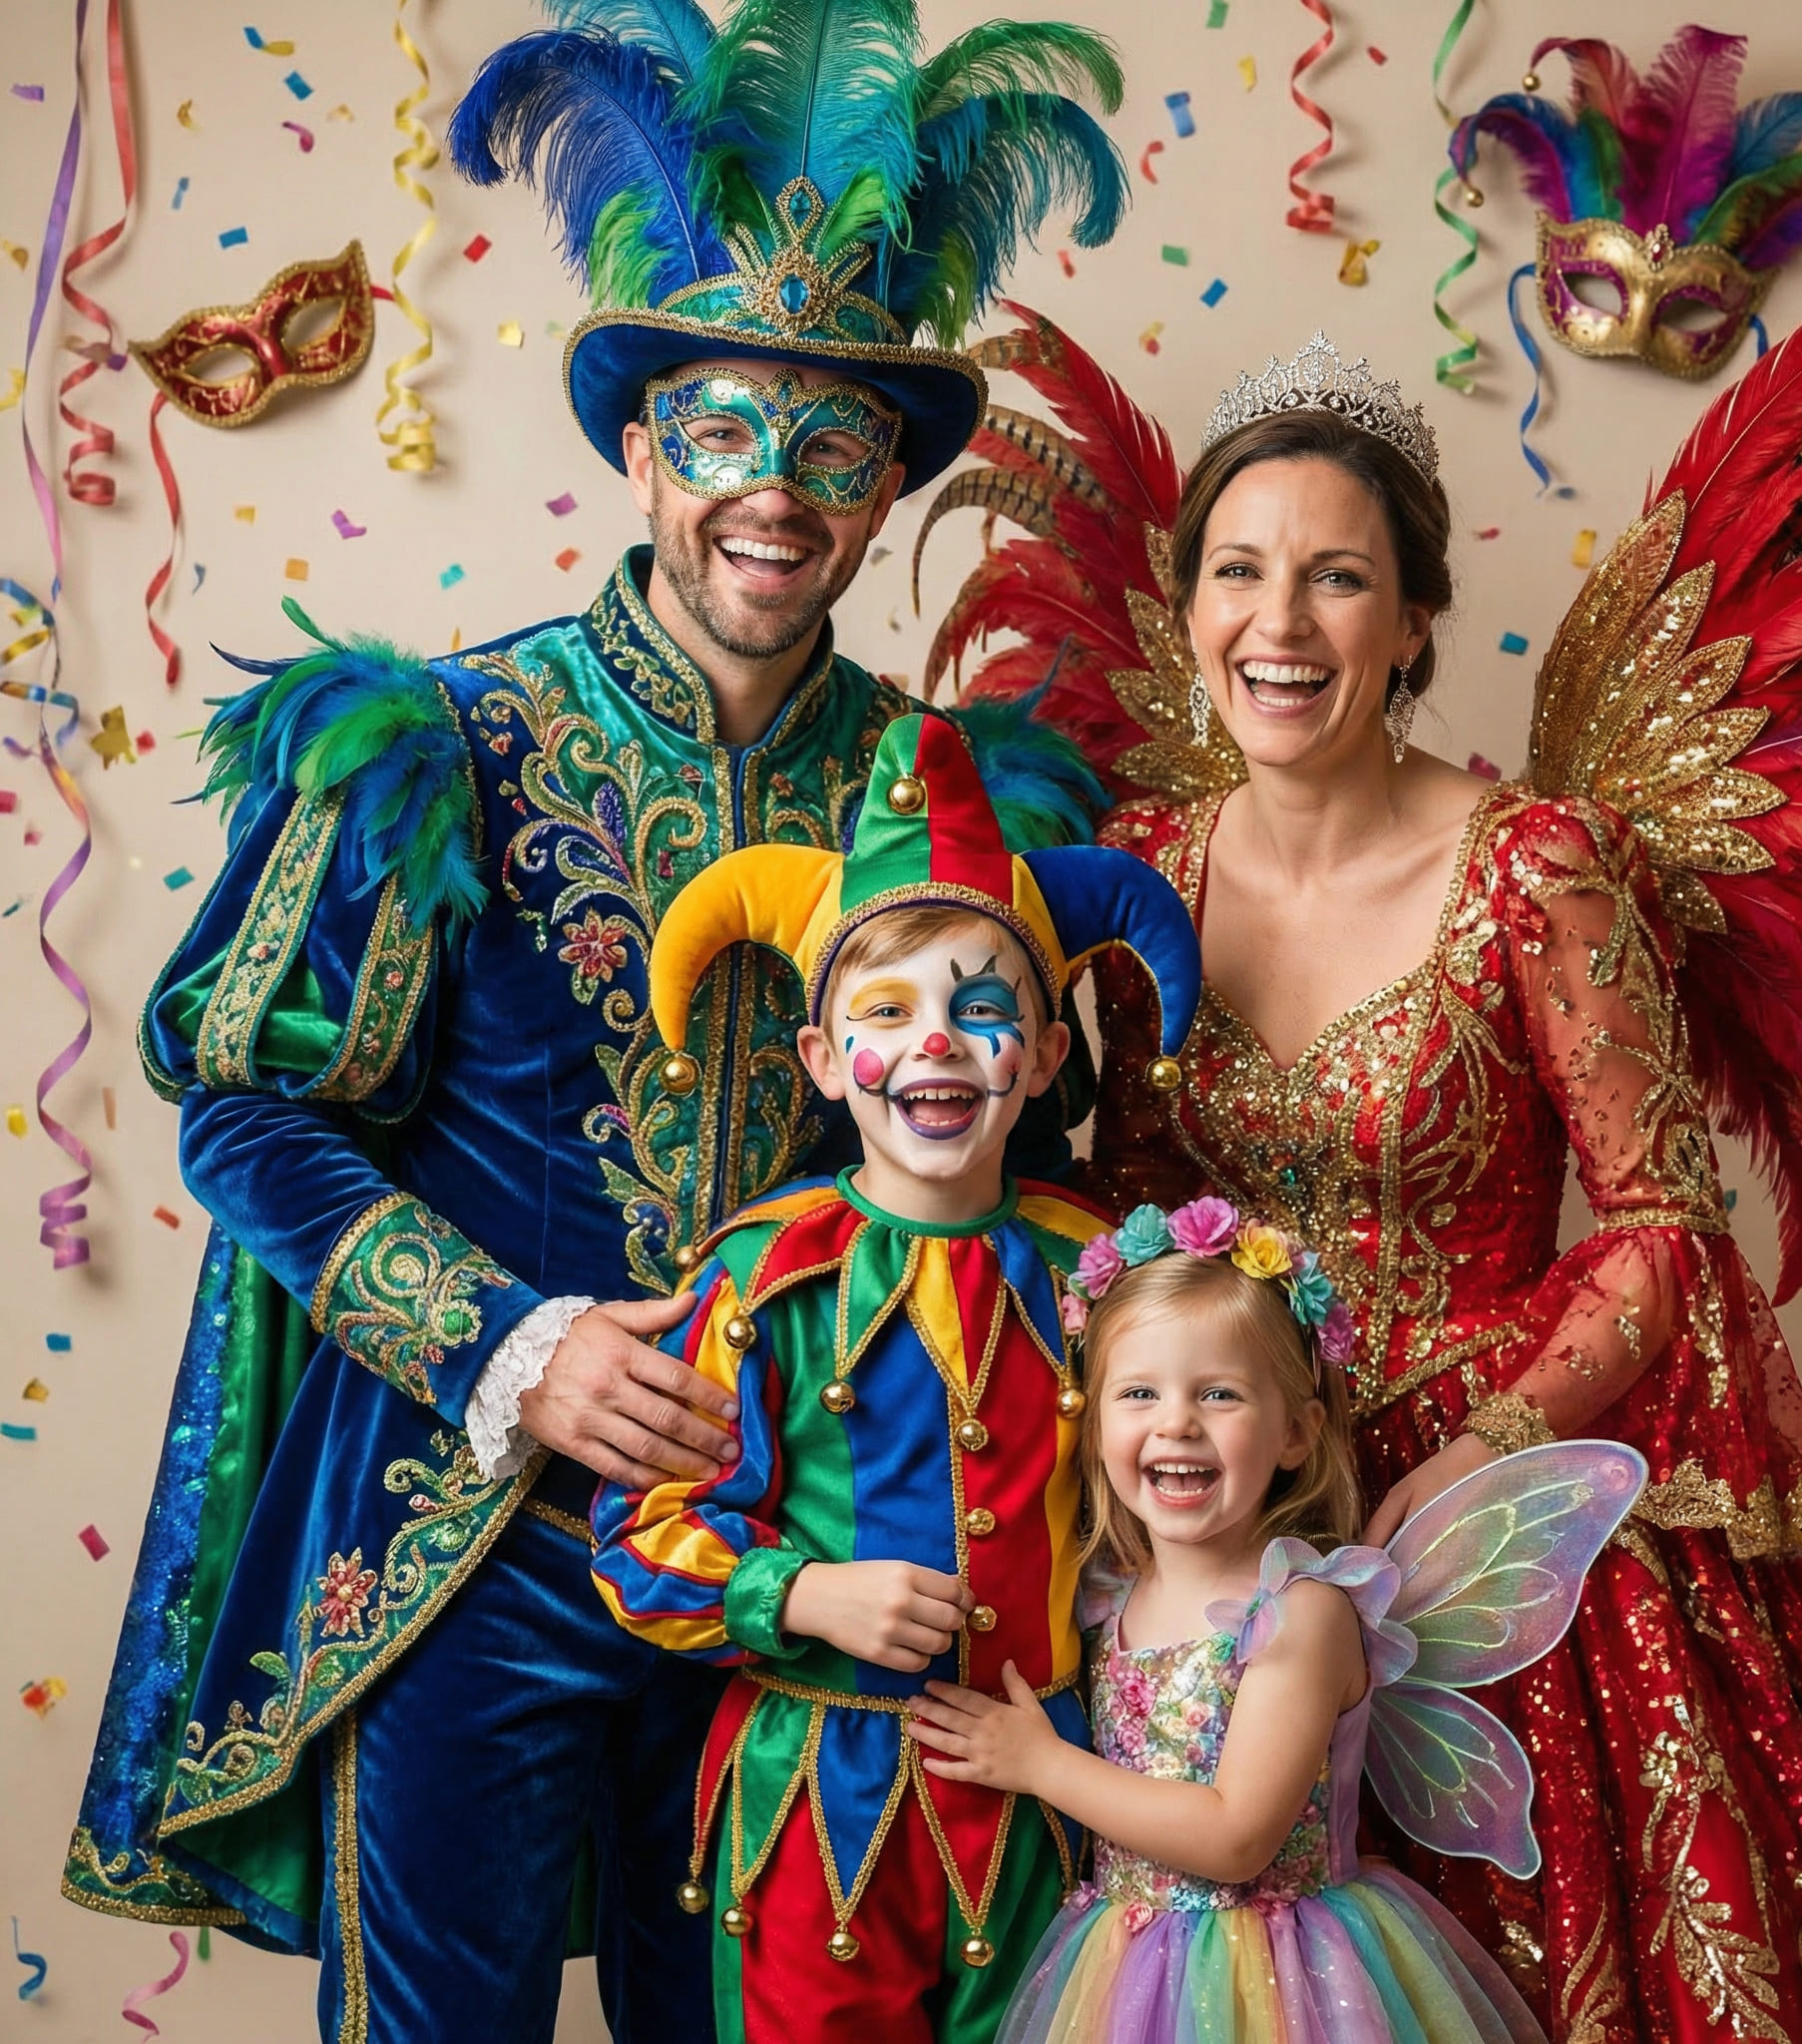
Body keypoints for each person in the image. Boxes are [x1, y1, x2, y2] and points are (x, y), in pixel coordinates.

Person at [62, 8, 1126, 2039]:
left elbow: (1024, 1161)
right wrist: (510, 1344)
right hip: (473, 1543)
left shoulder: (955, 798)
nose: (774, 493)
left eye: (835, 450)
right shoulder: (440, 740)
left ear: (888, 490)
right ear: (643, 451)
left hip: (809, 1567)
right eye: (726, 433)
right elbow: (241, 1105)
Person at [923, 276, 1802, 2042]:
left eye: (1335, 574)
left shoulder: (1536, 865)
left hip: (1491, 1532)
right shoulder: (1127, 869)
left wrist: (1452, 1463)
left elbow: (1662, 1220)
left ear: (1416, 616)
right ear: (1184, 605)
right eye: (1237, 568)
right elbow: (1116, 1211)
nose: (1275, 619)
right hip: (1207, 1533)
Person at [587, 712, 1204, 2042]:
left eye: (983, 1011)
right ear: (824, 1060)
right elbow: (639, 1538)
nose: (936, 1043)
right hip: (821, 1804)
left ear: (1042, 1060)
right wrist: (803, 1588)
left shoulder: (1095, 1269)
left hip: (1057, 1795)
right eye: (888, 1012)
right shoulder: (760, 1277)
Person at [907, 1202, 1645, 2044]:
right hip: (1122, 1966)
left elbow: (1234, 1838)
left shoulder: (1303, 1614)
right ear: (1094, 1422)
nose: (1176, 1421)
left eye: (1218, 1394)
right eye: (1139, 1392)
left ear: (1297, 1432)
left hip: (1287, 1981)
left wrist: (1041, 1764)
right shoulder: (1106, 1595)